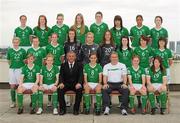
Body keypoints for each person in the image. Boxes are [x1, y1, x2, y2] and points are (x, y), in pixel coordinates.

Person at [58, 51, 83, 115]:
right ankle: (62, 109)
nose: (71, 57)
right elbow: (61, 75)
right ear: (67, 57)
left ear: (75, 57)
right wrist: (61, 83)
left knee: (80, 90)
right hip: (66, 84)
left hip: (76, 84)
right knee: (60, 90)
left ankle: (76, 109)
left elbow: (81, 75)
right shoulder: (63, 65)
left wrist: (79, 83)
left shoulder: (79, 65)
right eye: (69, 56)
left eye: (72, 56)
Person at [7, 37, 26, 108]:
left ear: (19, 42)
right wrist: (13, 65)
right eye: (14, 42)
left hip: (20, 69)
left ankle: (19, 101)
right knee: (12, 85)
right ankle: (13, 101)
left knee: (19, 85)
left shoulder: (23, 51)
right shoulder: (10, 50)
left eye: (17, 42)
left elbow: (24, 61)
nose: (15, 44)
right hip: (12, 69)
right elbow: (9, 60)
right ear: (12, 42)